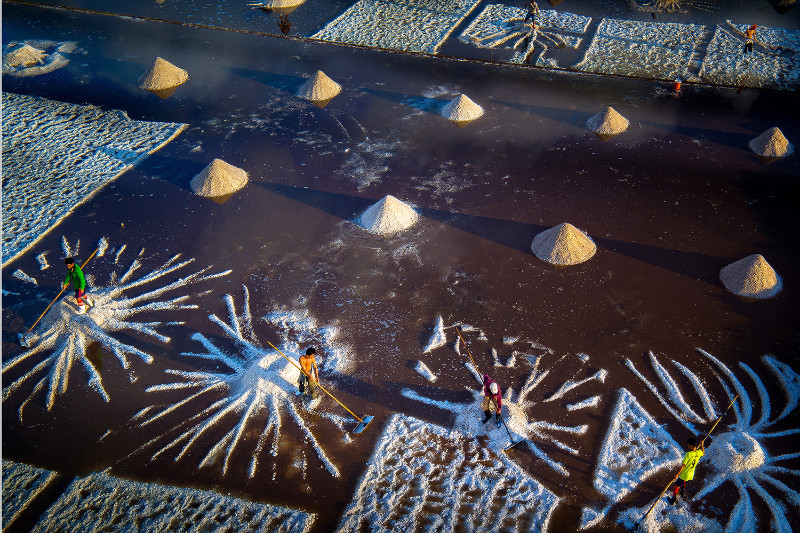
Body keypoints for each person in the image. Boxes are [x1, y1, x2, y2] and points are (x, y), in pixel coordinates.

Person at [668, 437, 705, 504]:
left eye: (688, 445)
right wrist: (702, 445)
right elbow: (703, 453)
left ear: (691, 445)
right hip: (691, 475)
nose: (687, 446)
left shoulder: (688, 454)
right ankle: (682, 492)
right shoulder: (699, 452)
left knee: (676, 485)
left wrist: (677, 474)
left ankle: (673, 499)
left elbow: (683, 466)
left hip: (685, 474)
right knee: (684, 482)